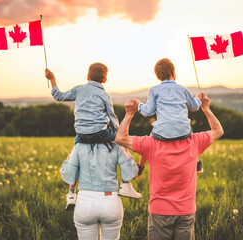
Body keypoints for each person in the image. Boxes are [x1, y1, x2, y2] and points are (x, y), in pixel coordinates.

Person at [115, 94, 224, 240]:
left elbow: (120, 138)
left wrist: (129, 113)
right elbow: (218, 131)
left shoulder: (151, 144)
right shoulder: (194, 142)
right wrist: (205, 108)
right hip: (186, 210)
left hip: (159, 211)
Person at [45, 63, 141, 211]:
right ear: (105, 79)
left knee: (75, 155)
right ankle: (126, 184)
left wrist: (52, 79)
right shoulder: (104, 95)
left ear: (88, 76)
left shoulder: (79, 90)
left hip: (82, 135)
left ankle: (71, 194)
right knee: (120, 142)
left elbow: (58, 96)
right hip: (101, 133)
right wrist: (119, 134)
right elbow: (112, 117)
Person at [134, 58, 204, 177]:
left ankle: (140, 167)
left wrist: (138, 105)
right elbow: (194, 107)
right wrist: (198, 98)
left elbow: (148, 111)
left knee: (150, 140)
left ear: (158, 76)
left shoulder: (154, 90)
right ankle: (197, 164)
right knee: (190, 137)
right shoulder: (183, 89)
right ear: (174, 73)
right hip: (183, 132)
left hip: (162, 133)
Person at [60, 141, 139, 239]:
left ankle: (71, 195)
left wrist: (67, 161)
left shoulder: (79, 146)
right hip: (111, 202)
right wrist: (126, 152)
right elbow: (132, 173)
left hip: (85, 202)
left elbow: (69, 175)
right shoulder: (116, 146)